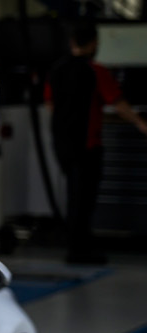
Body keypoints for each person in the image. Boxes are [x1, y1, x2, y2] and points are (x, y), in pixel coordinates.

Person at [47, 19, 147, 264]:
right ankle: (79, 251)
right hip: (87, 145)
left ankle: (77, 246)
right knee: (85, 198)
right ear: (93, 43)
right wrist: (141, 124)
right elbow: (118, 103)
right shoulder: (96, 71)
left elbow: (50, 104)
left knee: (74, 195)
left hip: (62, 145)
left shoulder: (56, 70)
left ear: (72, 42)